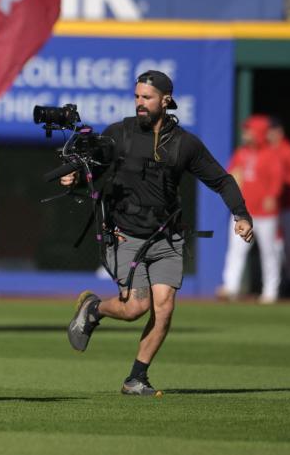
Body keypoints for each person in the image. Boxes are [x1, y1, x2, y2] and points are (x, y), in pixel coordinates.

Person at [62, 70, 253, 397]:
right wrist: (76, 178)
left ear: (165, 100)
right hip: (125, 234)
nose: (139, 103)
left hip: (166, 237)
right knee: (135, 309)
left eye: (146, 98)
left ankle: (136, 378)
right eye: (136, 96)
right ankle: (94, 309)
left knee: (163, 308)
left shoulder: (184, 143)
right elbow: (93, 171)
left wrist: (240, 214)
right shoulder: (118, 134)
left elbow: (222, 180)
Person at [219, 115, 284, 303]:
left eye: (250, 130)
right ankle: (231, 287)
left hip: (265, 213)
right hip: (243, 213)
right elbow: (232, 176)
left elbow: (277, 180)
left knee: (269, 252)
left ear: (260, 132)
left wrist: (272, 195)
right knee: (236, 251)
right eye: (246, 130)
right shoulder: (241, 152)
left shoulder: (271, 154)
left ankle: (270, 292)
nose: (246, 134)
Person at [267, 119, 290, 287]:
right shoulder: (266, 150)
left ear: (279, 132)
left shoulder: (288, 150)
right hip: (271, 211)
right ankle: (281, 283)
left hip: (289, 206)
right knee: (275, 247)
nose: (269, 134)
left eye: (272, 130)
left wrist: (280, 179)